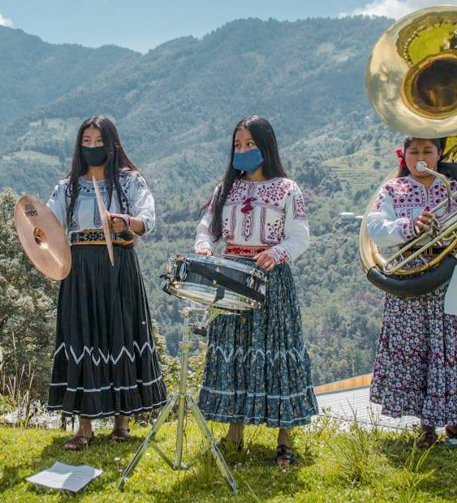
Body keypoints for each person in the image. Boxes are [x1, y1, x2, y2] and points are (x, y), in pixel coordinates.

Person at [194, 115, 318, 468]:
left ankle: (284, 440)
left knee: (276, 351)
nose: (243, 150)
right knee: (236, 351)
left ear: (266, 146)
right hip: (231, 276)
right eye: (238, 145)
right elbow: (207, 229)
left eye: (250, 144)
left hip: (271, 279)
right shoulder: (225, 190)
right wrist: (204, 247)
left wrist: (276, 253)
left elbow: (300, 237)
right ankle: (234, 435)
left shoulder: (287, 189)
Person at [366, 136, 457, 448]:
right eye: (414, 151)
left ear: (440, 154)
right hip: (411, 280)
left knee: (454, 350)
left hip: (454, 275)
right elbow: (375, 228)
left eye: (428, 150)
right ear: (404, 155)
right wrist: (409, 225)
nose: (420, 156)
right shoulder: (391, 190)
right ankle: (425, 427)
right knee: (420, 351)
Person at [45, 116, 167, 450]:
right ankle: (84, 428)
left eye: (99, 140)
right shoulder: (67, 186)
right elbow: (48, 223)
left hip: (118, 267)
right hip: (78, 268)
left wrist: (126, 222)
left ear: (111, 144)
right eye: (87, 140)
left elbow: (148, 218)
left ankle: (121, 424)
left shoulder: (129, 182)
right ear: (79, 145)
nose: (93, 147)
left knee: (120, 335)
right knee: (82, 338)